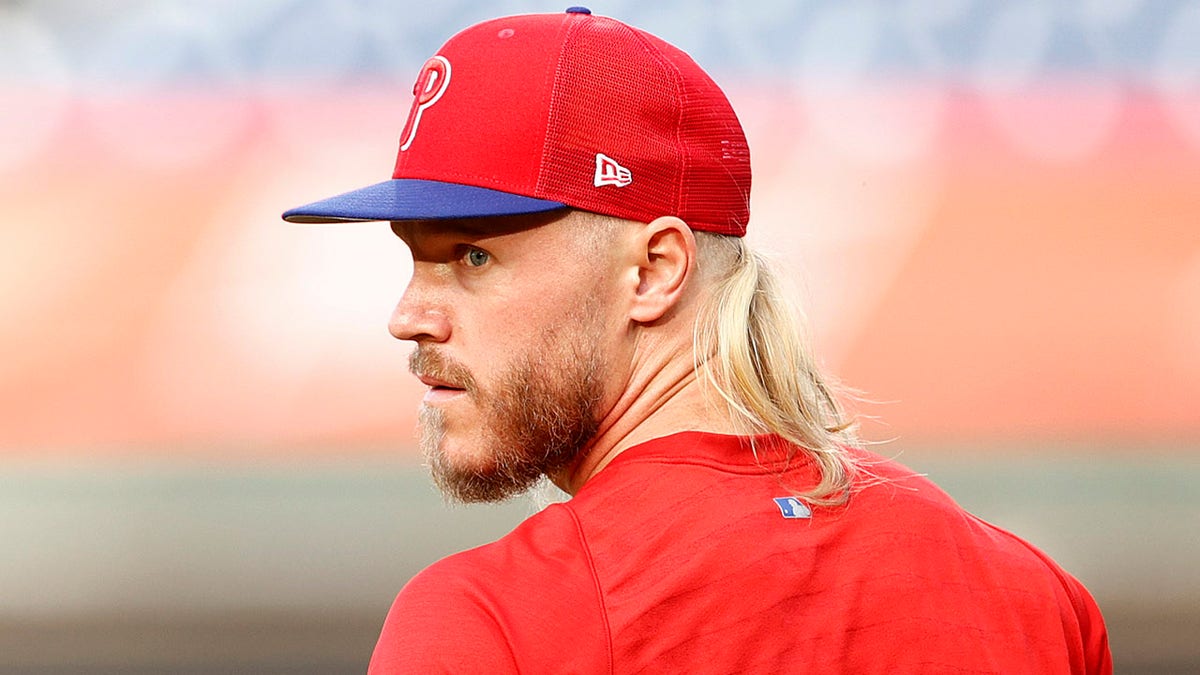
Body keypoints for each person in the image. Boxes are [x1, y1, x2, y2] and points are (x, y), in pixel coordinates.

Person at [284, 7, 1112, 674]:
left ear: (653, 270)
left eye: (472, 255)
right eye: (414, 257)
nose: (408, 314)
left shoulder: (494, 623)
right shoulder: (1032, 598)